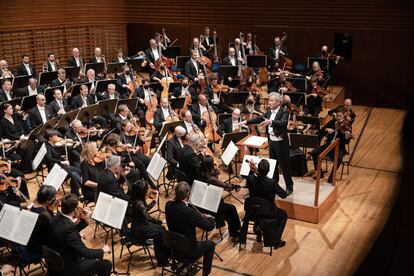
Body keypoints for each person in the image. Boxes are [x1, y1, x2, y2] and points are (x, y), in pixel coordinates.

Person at [239, 92, 294, 195]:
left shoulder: (284, 112)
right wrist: (246, 122)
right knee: (273, 164)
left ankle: (289, 186)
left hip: (281, 142)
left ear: (278, 102)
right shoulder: (269, 111)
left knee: (284, 165)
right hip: (272, 142)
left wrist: (271, 122)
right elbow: (259, 118)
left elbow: (283, 123)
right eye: (269, 100)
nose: (269, 102)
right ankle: (275, 184)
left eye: (272, 100)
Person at [50, 194, 112, 276]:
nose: (79, 208)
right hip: (71, 266)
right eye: (77, 207)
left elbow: (69, 231)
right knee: (106, 264)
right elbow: (86, 253)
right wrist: (103, 250)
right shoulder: (69, 229)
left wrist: (85, 218)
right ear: (75, 209)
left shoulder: (57, 217)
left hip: (58, 259)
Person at [165, 182, 216, 276]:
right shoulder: (188, 212)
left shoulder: (168, 205)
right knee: (210, 244)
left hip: (173, 246)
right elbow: (209, 227)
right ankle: (205, 274)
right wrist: (210, 219)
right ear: (188, 193)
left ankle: (189, 265)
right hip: (188, 250)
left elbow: (182, 216)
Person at [246, 159, 288, 248]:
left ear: (258, 169)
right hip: (266, 211)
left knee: (260, 208)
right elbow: (284, 195)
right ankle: (276, 241)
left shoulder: (250, 179)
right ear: (268, 171)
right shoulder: (272, 183)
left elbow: (251, 177)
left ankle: (258, 229)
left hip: (253, 210)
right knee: (283, 215)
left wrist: (252, 169)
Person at [198, 156, 241, 239]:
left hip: (201, 201)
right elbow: (226, 186)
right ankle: (235, 231)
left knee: (221, 200)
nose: (215, 163)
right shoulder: (210, 179)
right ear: (210, 165)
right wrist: (236, 186)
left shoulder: (200, 172)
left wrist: (216, 169)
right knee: (231, 208)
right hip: (208, 206)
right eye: (213, 163)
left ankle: (220, 222)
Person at [311, 108, 353, 183]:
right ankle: (319, 173)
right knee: (314, 153)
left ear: (343, 116)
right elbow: (321, 132)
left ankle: (331, 176)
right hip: (329, 145)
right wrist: (327, 129)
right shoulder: (332, 123)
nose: (339, 117)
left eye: (340, 116)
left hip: (340, 146)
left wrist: (347, 137)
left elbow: (347, 141)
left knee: (339, 158)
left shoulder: (347, 125)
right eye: (337, 116)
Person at [129, 200, 169, 266]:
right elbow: (148, 218)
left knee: (162, 228)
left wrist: (154, 201)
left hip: (140, 225)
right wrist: (161, 222)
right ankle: (162, 261)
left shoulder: (137, 202)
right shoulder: (140, 204)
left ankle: (165, 252)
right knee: (160, 234)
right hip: (141, 229)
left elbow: (145, 209)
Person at [44, 129, 82, 195]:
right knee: (73, 174)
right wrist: (61, 162)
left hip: (61, 165)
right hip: (55, 167)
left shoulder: (55, 145)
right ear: (50, 138)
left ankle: (74, 190)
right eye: (55, 135)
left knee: (79, 171)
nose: (57, 137)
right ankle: (75, 192)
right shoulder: (47, 147)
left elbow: (60, 154)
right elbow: (50, 159)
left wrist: (64, 157)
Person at [28, 185, 58, 256]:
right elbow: (55, 230)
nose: (55, 198)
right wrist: (51, 211)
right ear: (48, 201)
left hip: (35, 240)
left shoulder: (33, 206)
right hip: (42, 247)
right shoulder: (45, 215)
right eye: (54, 197)